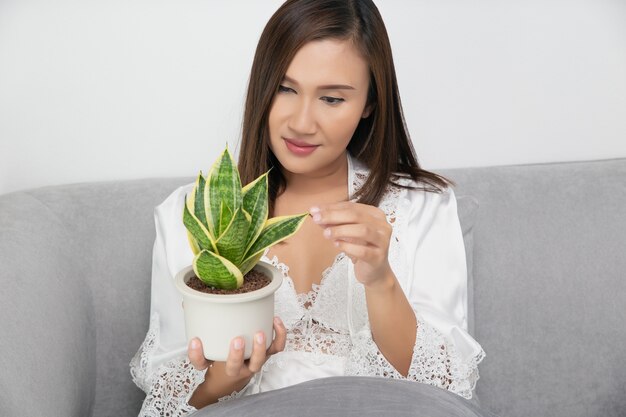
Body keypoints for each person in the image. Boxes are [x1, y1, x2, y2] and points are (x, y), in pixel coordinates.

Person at [130, 0, 485, 415]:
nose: (301, 122)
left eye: (332, 99)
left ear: (369, 103)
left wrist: (381, 279)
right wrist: (229, 377)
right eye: (285, 88)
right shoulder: (192, 217)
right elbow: (165, 402)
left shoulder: (421, 207)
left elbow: (444, 390)